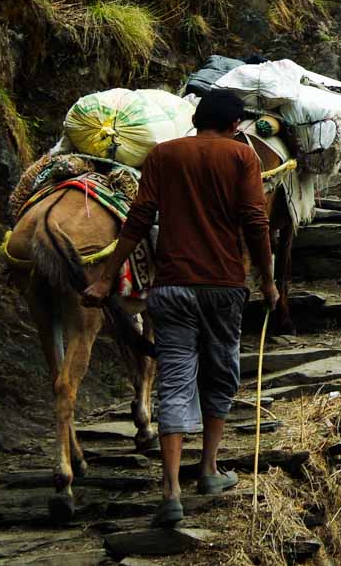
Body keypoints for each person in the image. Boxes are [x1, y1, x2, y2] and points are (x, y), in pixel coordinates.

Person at [88, 89, 275, 528]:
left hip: (171, 288)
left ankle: (171, 490)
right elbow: (255, 221)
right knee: (220, 372)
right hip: (223, 286)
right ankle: (208, 470)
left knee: (174, 381)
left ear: (196, 120)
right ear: (235, 126)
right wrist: (268, 280)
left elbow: (138, 219)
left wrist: (106, 277)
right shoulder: (241, 157)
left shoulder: (163, 155)